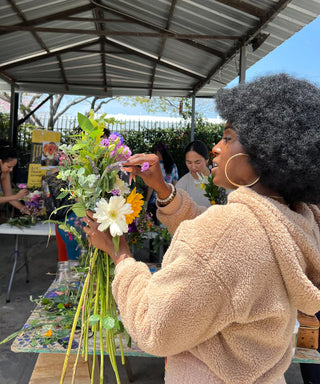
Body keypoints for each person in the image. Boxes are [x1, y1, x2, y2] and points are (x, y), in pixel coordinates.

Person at [83, 73, 320, 384]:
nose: (216, 149)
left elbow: (155, 328)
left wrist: (122, 256)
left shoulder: (230, 232)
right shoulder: (295, 221)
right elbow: (217, 248)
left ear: (263, 153)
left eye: (228, 137)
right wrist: (162, 188)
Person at [146, 142, 179, 224]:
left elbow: (151, 186)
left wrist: (146, 201)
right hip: (169, 200)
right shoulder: (173, 165)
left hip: (156, 200)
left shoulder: (154, 166)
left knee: (155, 227)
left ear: (158, 152)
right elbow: (176, 184)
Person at [176, 140, 212, 207]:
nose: (193, 167)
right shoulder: (181, 185)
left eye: (197, 162)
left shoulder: (219, 180)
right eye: (189, 163)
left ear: (207, 160)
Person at [0, 140, 29, 214]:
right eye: (9, 166)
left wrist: (27, 210)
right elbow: (12, 197)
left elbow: (9, 196)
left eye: (13, 167)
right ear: (0, 162)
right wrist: (16, 196)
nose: (11, 170)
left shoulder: (5, 173)